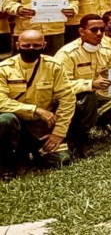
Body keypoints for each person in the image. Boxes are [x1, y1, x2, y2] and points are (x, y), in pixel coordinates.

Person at [0, 29, 76, 173]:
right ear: (17, 45)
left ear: (44, 45)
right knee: (5, 120)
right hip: (15, 122)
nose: (31, 49)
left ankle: (31, 151)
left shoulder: (54, 66)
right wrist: (35, 109)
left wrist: (58, 133)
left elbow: (67, 99)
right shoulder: (3, 69)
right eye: (26, 45)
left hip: (39, 126)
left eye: (36, 45)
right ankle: (6, 163)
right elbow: (1, 101)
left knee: (61, 160)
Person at [54, 14, 111, 137]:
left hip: (98, 96)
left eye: (102, 29)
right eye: (94, 30)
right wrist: (90, 84)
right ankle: (79, 136)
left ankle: (95, 121)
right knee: (88, 96)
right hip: (72, 100)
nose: (99, 33)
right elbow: (60, 86)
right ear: (81, 31)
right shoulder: (67, 54)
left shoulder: (106, 51)